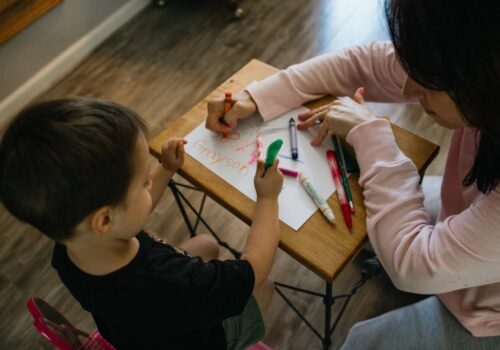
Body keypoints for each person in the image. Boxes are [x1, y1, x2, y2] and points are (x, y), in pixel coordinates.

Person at [205, 0, 500, 348]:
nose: (407, 91)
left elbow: (414, 266)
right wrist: (255, 97)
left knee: (362, 341)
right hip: (472, 218)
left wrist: (373, 138)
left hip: (488, 313)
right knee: (370, 226)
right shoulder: (474, 68)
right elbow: (364, 64)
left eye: (428, 85)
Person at [0, 97, 283, 349]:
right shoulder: (170, 283)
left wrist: (166, 169)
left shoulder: (70, 244)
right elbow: (254, 269)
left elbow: (128, 217)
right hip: (199, 338)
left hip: (134, 333)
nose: (150, 181)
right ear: (105, 219)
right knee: (266, 285)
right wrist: (268, 198)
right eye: (143, 181)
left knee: (206, 244)